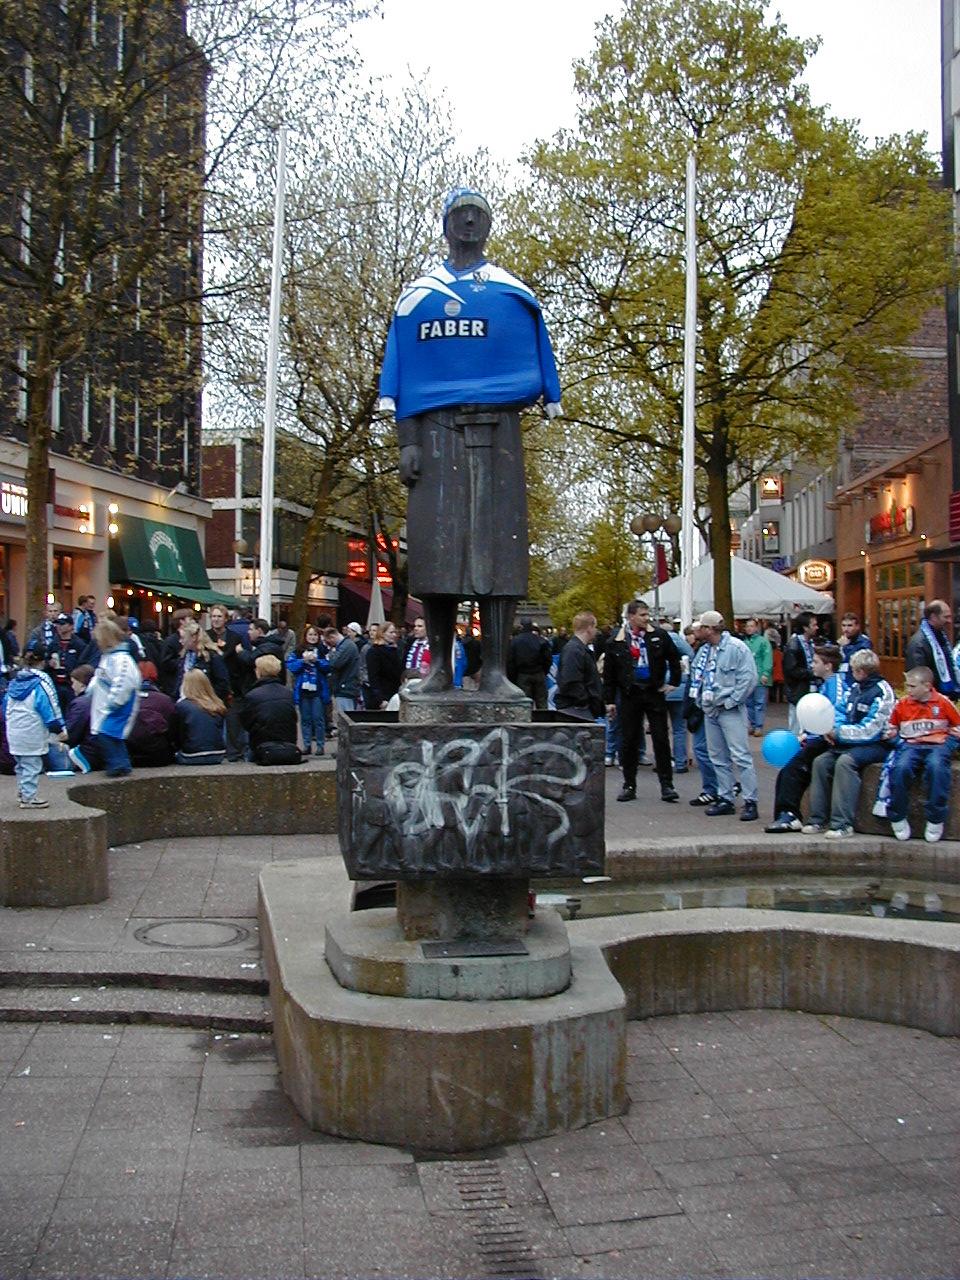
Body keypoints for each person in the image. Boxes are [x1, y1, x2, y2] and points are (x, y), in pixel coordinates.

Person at [379, 187, 561, 699]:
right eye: (459, 215)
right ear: (445, 224)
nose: (468, 223)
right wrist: (407, 441)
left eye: (477, 215)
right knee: (438, 554)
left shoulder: (510, 294)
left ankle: (496, 670)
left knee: (500, 552)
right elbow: (407, 372)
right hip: (435, 434)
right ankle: (440, 666)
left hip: (499, 434)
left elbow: (530, 357)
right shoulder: (419, 298)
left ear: (488, 225)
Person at [803, 649, 895, 839]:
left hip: (877, 745)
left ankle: (842, 824)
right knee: (820, 762)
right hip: (850, 741)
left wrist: (839, 733)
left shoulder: (882, 692)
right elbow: (840, 711)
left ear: (861, 672)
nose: (851, 673)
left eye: (853, 670)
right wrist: (832, 728)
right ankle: (818, 819)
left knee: (845, 763)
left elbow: (871, 730)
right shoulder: (855, 688)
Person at [603, 600, 681, 804]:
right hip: (630, 694)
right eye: (642, 615)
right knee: (628, 739)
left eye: (647, 615)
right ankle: (629, 784)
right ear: (631, 617)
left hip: (653, 692)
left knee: (661, 738)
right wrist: (609, 700)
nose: (647, 619)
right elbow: (610, 673)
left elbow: (674, 658)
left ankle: (667, 784)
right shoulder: (616, 640)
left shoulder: (659, 636)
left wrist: (673, 682)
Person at [765, 644, 845, 833]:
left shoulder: (836, 686)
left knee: (794, 770)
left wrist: (816, 735)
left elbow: (836, 714)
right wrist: (807, 734)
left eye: (816, 662)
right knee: (788, 770)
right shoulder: (825, 684)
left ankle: (790, 815)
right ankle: (784, 814)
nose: (812, 665)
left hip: (829, 740)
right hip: (819, 737)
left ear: (828, 666)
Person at [689, 609, 759, 821]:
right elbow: (697, 676)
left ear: (710, 629)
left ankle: (750, 801)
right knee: (717, 757)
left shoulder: (736, 648)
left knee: (741, 756)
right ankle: (725, 797)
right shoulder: (704, 651)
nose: (697, 631)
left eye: (701, 627)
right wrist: (701, 702)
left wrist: (732, 701)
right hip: (711, 709)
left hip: (730, 710)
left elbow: (748, 678)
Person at [884, 666, 960, 843]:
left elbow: (957, 729)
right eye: (907, 686)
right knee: (900, 768)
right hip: (911, 745)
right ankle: (897, 816)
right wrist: (898, 742)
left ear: (927, 686)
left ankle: (935, 819)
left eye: (912, 686)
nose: (908, 690)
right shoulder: (901, 704)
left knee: (937, 767)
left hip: (938, 746)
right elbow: (890, 730)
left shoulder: (943, 703)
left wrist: (947, 744)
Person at [3, 640, 65, 807]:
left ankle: (23, 791)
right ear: (43, 661)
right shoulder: (41, 682)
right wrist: (58, 728)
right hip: (32, 731)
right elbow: (49, 708)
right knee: (32, 765)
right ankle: (29, 797)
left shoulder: (14, 682)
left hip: (14, 731)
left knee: (21, 764)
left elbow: (5, 706)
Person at [89, 618, 142, 778]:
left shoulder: (122, 660)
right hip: (109, 703)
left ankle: (118, 764)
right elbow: (100, 676)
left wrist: (114, 701)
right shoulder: (109, 657)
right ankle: (121, 764)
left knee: (107, 733)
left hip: (121, 703)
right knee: (111, 735)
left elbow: (124, 682)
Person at [240, 654, 299, 762]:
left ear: (259, 671)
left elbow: (246, 723)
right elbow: (293, 717)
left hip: (261, 745)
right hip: (287, 743)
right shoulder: (288, 693)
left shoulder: (252, 695)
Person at [286, 624, 330, 755]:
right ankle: (307, 745)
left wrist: (317, 661)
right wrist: (302, 661)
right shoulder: (298, 650)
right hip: (303, 690)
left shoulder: (323, 650)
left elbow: (329, 666)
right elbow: (291, 666)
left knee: (318, 718)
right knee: (305, 719)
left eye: (315, 635)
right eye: (310, 634)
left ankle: (320, 745)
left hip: (318, 690)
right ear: (305, 636)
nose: (312, 637)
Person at [905, 600, 959, 700]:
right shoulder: (918, 643)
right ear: (933, 617)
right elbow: (917, 676)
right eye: (946, 617)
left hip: (946, 697)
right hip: (931, 701)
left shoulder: (941, 637)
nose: (949, 621)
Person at [555, 611, 604, 721]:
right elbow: (571, 681)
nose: (596, 631)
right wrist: (585, 702)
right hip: (576, 710)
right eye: (595, 627)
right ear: (589, 628)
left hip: (577, 708)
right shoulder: (574, 650)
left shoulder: (575, 649)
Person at [126, 661, 176, 768]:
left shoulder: (126, 699)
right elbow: (172, 731)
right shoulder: (164, 700)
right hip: (159, 757)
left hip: (130, 756)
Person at [173, 668, 227, 766]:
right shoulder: (217, 704)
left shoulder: (181, 706)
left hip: (191, 755)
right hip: (217, 754)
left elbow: (179, 735)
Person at [174, 621, 230, 703]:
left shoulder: (212, 657)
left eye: (183, 638)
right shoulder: (184, 656)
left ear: (193, 637)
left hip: (206, 703)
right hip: (184, 702)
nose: (180, 641)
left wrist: (208, 699)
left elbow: (223, 685)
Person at [783, 611, 819, 732]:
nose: (817, 627)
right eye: (814, 625)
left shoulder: (812, 643)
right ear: (805, 627)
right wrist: (812, 673)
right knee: (797, 724)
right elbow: (791, 670)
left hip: (810, 688)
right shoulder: (794, 645)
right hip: (798, 690)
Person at [665, 625, 694, 773]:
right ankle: (680, 761)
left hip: (661, 688)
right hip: (679, 689)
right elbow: (691, 655)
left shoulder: (653, 641)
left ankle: (663, 762)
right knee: (679, 729)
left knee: (661, 729)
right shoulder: (679, 643)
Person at [63, 664, 102, 773]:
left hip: (87, 754)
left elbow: (71, 733)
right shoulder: (100, 698)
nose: (72, 687)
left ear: (82, 684)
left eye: (73, 682)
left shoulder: (81, 704)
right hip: (102, 751)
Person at [43, 612, 85, 713]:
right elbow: (45, 662)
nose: (59, 627)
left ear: (71, 626)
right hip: (56, 685)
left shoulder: (79, 644)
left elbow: (83, 664)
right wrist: (49, 663)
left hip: (71, 686)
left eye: (62, 624)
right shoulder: (53, 644)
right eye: (58, 624)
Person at [507, 621, 552, 709]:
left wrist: (513, 677)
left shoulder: (515, 641)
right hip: (539, 672)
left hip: (522, 674)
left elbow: (511, 661)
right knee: (542, 701)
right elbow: (548, 659)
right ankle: (543, 716)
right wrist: (544, 671)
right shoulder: (541, 640)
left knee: (524, 703)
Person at [742, 618, 773, 736]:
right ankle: (752, 724)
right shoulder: (744, 643)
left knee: (759, 702)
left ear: (756, 628)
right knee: (748, 703)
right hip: (747, 677)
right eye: (747, 626)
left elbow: (767, 658)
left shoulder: (763, 642)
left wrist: (766, 673)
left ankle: (758, 726)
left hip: (760, 676)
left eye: (751, 626)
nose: (749, 628)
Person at [322, 625, 361, 713]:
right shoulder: (346, 645)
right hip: (344, 688)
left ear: (332, 637)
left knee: (345, 717)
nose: (330, 645)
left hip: (346, 689)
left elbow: (334, 664)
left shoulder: (347, 646)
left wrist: (330, 653)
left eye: (329, 642)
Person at [365, 621, 403, 710]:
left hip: (394, 694)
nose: (394, 635)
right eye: (391, 632)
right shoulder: (374, 652)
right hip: (382, 697)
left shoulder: (394, 650)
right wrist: (380, 699)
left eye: (395, 632)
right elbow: (373, 677)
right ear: (382, 633)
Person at [839, 611, 872, 685]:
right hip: (843, 679)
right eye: (843, 626)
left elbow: (858, 662)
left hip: (857, 681)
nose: (846, 629)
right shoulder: (842, 641)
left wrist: (846, 647)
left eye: (850, 626)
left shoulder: (864, 642)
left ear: (857, 626)